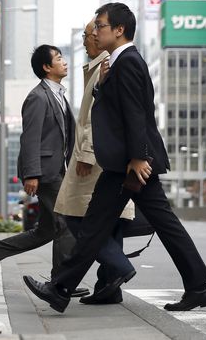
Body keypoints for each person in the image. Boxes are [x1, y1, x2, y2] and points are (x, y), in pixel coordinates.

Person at [23, 3, 206, 313]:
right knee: (103, 225)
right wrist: (101, 85)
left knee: (113, 225)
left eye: (100, 26)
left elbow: (135, 113)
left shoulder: (128, 62)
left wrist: (138, 157)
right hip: (124, 163)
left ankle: (60, 288)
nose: (96, 31)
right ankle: (197, 287)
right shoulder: (118, 63)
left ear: (119, 30)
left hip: (131, 163)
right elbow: (114, 109)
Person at [0, 45, 87, 298]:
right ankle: (60, 284)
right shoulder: (38, 96)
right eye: (58, 59)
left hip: (58, 170)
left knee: (46, 230)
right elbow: (30, 138)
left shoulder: (58, 95)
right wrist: (31, 173)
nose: (64, 62)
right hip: (45, 172)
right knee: (66, 223)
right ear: (46, 67)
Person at [53, 18, 135, 305]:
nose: (89, 39)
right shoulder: (100, 63)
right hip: (107, 155)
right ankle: (108, 287)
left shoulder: (106, 65)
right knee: (109, 221)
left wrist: (87, 152)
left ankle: (118, 268)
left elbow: (99, 115)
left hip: (97, 156)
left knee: (76, 216)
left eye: (91, 34)